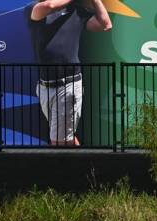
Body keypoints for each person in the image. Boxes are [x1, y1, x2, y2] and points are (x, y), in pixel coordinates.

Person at [29, 0, 112, 146]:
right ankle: (87, 167)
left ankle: (65, 169)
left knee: (59, 142)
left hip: (68, 85)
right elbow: (50, 6)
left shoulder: (78, 12)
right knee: (66, 138)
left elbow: (106, 25)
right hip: (44, 88)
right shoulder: (36, 9)